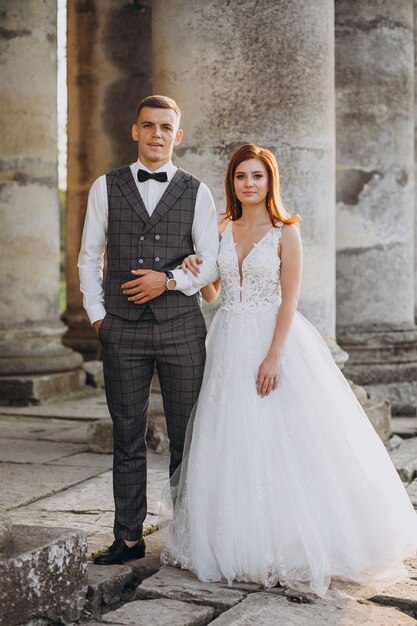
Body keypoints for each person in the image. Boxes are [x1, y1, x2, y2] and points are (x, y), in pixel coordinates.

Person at [161, 143, 417, 597]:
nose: (249, 184)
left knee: (285, 434)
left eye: (257, 176)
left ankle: (293, 539)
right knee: (230, 435)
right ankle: (233, 538)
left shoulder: (286, 231)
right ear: (233, 182)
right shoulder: (222, 226)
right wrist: (196, 268)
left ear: (269, 181)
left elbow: (291, 299)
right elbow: (212, 295)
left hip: (272, 338)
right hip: (227, 340)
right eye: (241, 176)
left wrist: (274, 355)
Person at [78, 95, 219, 565]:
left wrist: (171, 280)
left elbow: (212, 260)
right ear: (135, 131)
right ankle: (129, 537)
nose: (157, 134)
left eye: (166, 127)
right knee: (128, 435)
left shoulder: (197, 190)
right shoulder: (106, 186)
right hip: (121, 330)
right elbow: (88, 256)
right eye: (148, 125)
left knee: (188, 435)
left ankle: (187, 535)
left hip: (181, 328)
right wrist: (98, 316)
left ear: (177, 136)